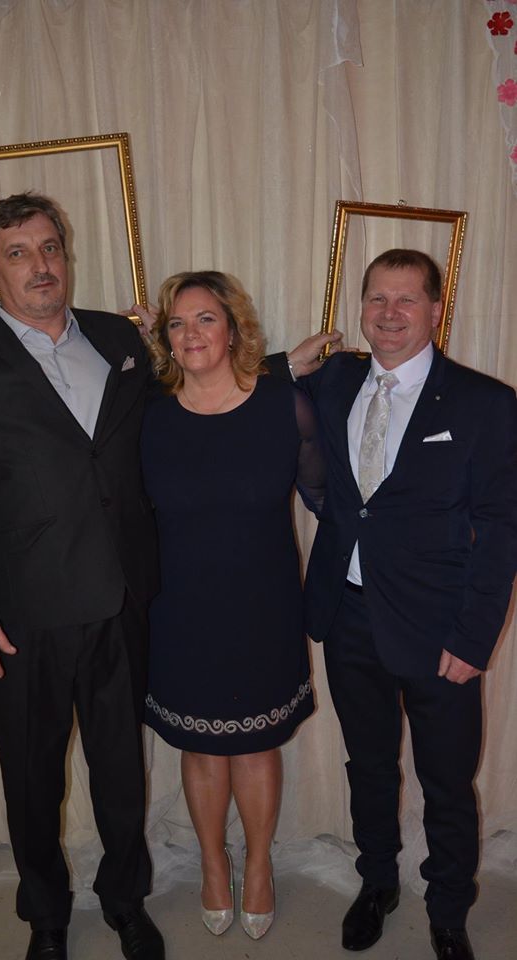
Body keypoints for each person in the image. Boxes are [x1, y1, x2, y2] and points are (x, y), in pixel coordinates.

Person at [0, 193, 165, 960]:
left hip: (121, 599)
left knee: (121, 771)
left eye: (49, 246)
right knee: (31, 780)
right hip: (21, 617)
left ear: (67, 252)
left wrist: (279, 369)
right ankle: (46, 917)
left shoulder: (120, 337)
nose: (40, 264)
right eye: (18, 253)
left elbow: (183, 412)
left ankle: (125, 899)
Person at [268, 249, 517, 960]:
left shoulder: (484, 402)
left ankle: (448, 909)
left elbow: (502, 526)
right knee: (368, 765)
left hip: (441, 627)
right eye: (377, 298)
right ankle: (377, 882)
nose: (389, 313)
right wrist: (286, 366)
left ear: (436, 309)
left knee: (447, 780)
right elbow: (244, 396)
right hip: (348, 614)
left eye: (407, 299)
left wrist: (475, 637)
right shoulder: (336, 379)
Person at [139, 270, 325, 940]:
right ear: (164, 338)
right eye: (177, 323)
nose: (191, 334)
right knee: (200, 746)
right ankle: (214, 864)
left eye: (206, 319)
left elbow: (328, 502)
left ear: (233, 328)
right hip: (179, 607)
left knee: (255, 744)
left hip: (263, 604)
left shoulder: (283, 405)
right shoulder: (148, 414)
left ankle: (259, 866)